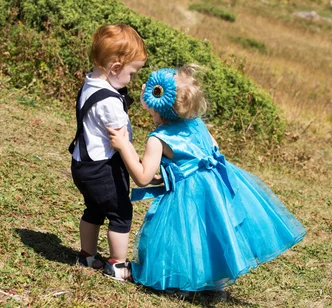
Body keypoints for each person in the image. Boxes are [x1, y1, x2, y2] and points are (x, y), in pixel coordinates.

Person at [108, 65, 306, 292]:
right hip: (214, 185)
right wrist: (176, 171)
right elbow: (213, 148)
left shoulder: (158, 138)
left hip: (188, 194)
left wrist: (124, 146)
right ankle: (212, 280)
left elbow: (142, 178)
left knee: (183, 234)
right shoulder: (196, 123)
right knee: (210, 232)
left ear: (154, 105)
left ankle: (174, 278)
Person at [69, 24, 147, 281]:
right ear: (115, 68)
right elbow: (120, 140)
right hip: (103, 168)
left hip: (82, 164)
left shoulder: (90, 84)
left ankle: (87, 255)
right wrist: (136, 161)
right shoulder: (111, 103)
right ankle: (117, 264)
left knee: (93, 208)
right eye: (132, 73)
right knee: (120, 213)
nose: (132, 80)